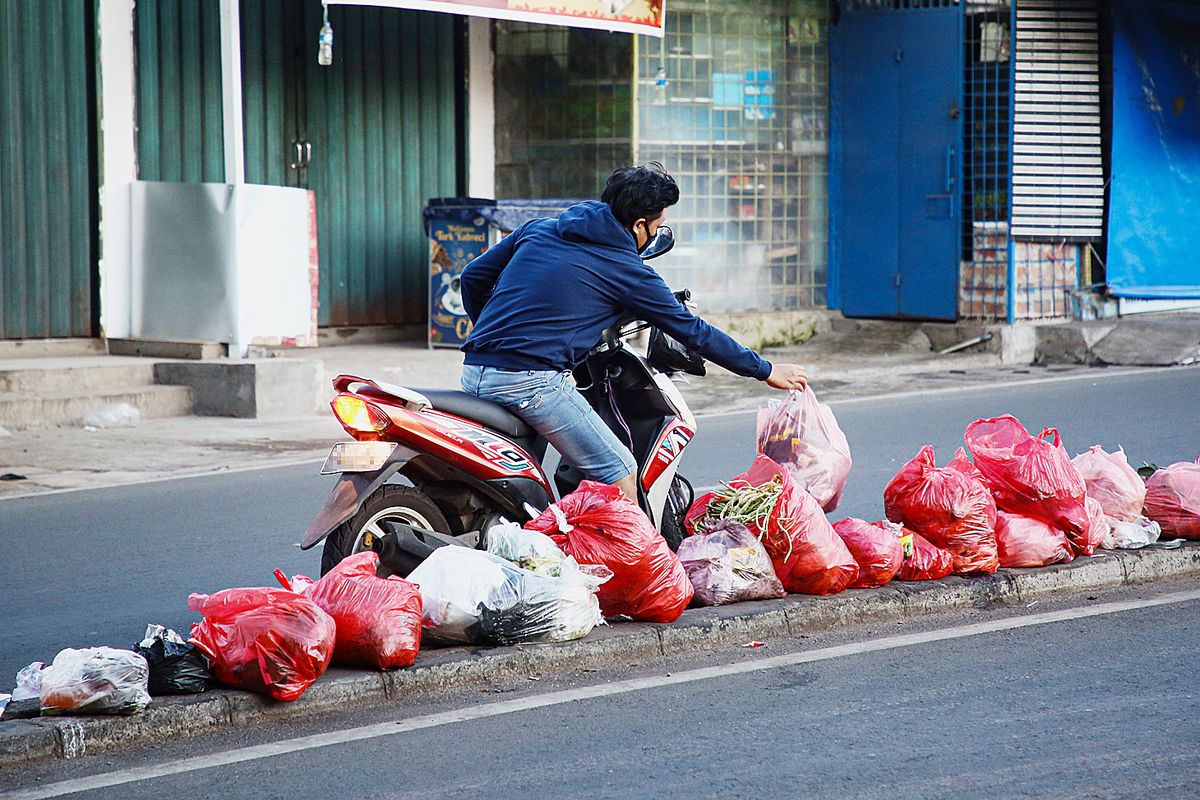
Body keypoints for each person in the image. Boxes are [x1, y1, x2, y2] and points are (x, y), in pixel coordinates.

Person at [459, 163, 809, 503]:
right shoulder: (627, 270)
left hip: (474, 371)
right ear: (640, 226)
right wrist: (766, 370)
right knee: (619, 472)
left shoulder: (539, 229)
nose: (657, 234)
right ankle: (630, 562)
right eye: (658, 225)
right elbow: (693, 332)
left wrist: (494, 334)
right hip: (531, 383)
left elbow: (473, 277)